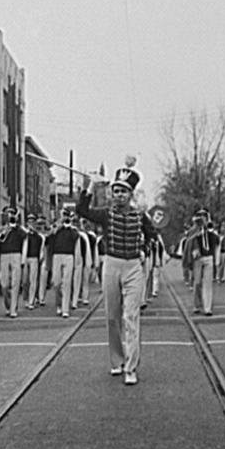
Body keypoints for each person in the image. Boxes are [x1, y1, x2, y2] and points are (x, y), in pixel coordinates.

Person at [78, 164, 157, 386]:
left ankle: (131, 367)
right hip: (111, 264)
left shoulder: (140, 216)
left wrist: (144, 250)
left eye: (124, 191)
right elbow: (82, 210)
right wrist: (92, 184)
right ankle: (117, 360)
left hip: (133, 267)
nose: (119, 195)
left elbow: (152, 236)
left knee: (130, 318)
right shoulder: (105, 214)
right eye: (116, 191)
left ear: (131, 194)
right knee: (112, 317)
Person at [0, 207, 28, 318]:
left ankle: (13, 308)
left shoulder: (21, 230)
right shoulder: (1, 230)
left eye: (12, 214)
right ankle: (8, 305)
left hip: (16, 254)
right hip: (4, 256)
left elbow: (25, 241)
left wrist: (23, 260)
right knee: (4, 283)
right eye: (8, 214)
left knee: (15, 282)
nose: (10, 217)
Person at [47, 208, 80, 318]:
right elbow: (48, 238)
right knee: (56, 283)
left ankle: (65, 309)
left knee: (67, 283)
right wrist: (57, 227)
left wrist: (68, 226)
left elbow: (75, 237)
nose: (65, 217)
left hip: (69, 256)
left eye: (66, 215)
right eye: (63, 215)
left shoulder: (73, 230)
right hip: (56, 255)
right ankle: (59, 304)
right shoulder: (56, 228)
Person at [189, 208, 220, 315]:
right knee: (197, 282)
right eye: (200, 216)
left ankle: (208, 308)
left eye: (204, 216)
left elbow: (216, 241)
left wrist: (209, 230)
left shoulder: (211, 231)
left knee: (208, 283)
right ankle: (197, 304)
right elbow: (189, 242)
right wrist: (197, 233)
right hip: (198, 258)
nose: (203, 218)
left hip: (209, 257)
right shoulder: (194, 230)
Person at [22, 214, 45, 310]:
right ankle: (26, 299)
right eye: (29, 222)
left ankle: (31, 301)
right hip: (25, 258)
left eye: (33, 222)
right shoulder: (24, 234)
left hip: (34, 258)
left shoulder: (39, 237)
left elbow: (41, 248)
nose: (31, 223)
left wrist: (40, 257)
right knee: (24, 281)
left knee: (33, 280)